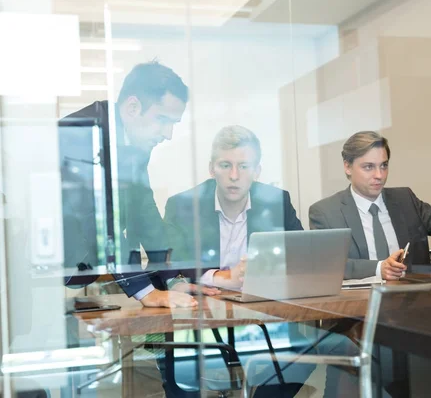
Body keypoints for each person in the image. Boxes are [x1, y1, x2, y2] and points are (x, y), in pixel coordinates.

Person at [60, 61, 218, 308]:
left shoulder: (134, 146)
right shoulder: (81, 133)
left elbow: (146, 213)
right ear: (133, 107)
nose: (168, 134)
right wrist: (146, 292)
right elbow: (98, 219)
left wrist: (172, 277)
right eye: (163, 119)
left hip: (82, 269)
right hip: (39, 273)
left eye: (173, 123)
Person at [309, 131, 431, 280]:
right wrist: (379, 268)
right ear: (347, 166)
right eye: (369, 167)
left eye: (384, 166)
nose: (379, 175)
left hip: (412, 303)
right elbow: (327, 265)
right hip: (358, 308)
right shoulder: (326, 213)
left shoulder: (404, 200)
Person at [164, 125, 303, 287]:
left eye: (244, 166)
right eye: (225, 165)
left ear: (256, 172)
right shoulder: (182, 206)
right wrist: (226, 277)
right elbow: (171, 270)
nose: (234, 176)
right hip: (205, 305)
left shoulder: (277, 202)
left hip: (262, 300)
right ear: (212, 169)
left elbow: (300, 257)